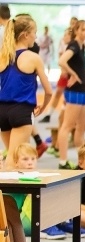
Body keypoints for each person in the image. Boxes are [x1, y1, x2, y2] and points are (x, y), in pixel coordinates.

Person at [0, 14, 52, 169]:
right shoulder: (33, 57)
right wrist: (43, 106)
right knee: (15, 160)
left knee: (11, 156)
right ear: (25, 35)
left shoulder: (3, 56)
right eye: (34, 33)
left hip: (2, 110)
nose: (36, 37)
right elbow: (48, 91)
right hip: (21, 110)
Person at [55, 19, 85, 169]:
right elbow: (61, 61)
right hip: (74, 91)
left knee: (82, 126)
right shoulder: (73, 46)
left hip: (82, 90)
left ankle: (82, 160)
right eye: (83, 30)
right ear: (77, 31)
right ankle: (63, 161)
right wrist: (73, 75)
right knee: (67, 126)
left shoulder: (81, 45)